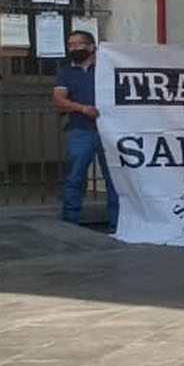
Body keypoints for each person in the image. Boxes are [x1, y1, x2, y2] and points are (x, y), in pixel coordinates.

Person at [52, 28, 117, 231]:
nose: (73, 48)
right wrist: (82, 108)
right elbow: (58, 100)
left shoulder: (106, 69)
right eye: (70, 45)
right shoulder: (66, 72)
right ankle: (70, 223)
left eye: (77, 44)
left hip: (108, 131)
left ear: (91, 47)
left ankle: (118, 222)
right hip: (80, 130)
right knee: (75, 178)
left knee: (114, 178)